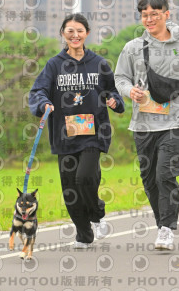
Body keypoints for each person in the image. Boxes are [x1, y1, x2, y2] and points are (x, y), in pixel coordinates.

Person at [114, 0, 179, 251]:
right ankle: (162, 224)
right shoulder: (133, 47)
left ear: (167, 14)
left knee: (165, 173)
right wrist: (129, 91)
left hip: (177, 123)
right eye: (144, 15)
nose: (149, 19)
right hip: (143, 124)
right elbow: (120, 78)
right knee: (149, 179)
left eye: (154, 14)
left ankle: (166, 229)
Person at [29, 14, 125, 248]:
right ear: (63, 33)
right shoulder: (54, 65)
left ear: (87, 33)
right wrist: (44, 104)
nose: (75, 35)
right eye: (70, 31)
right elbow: (38, 91)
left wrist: (114, 101)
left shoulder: (99, 63)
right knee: (70, 190)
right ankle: (84, 234)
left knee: (85, 177)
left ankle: (97, 215)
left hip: (94, 131)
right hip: (65, 133)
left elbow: (113, 91)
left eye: (80, 31)